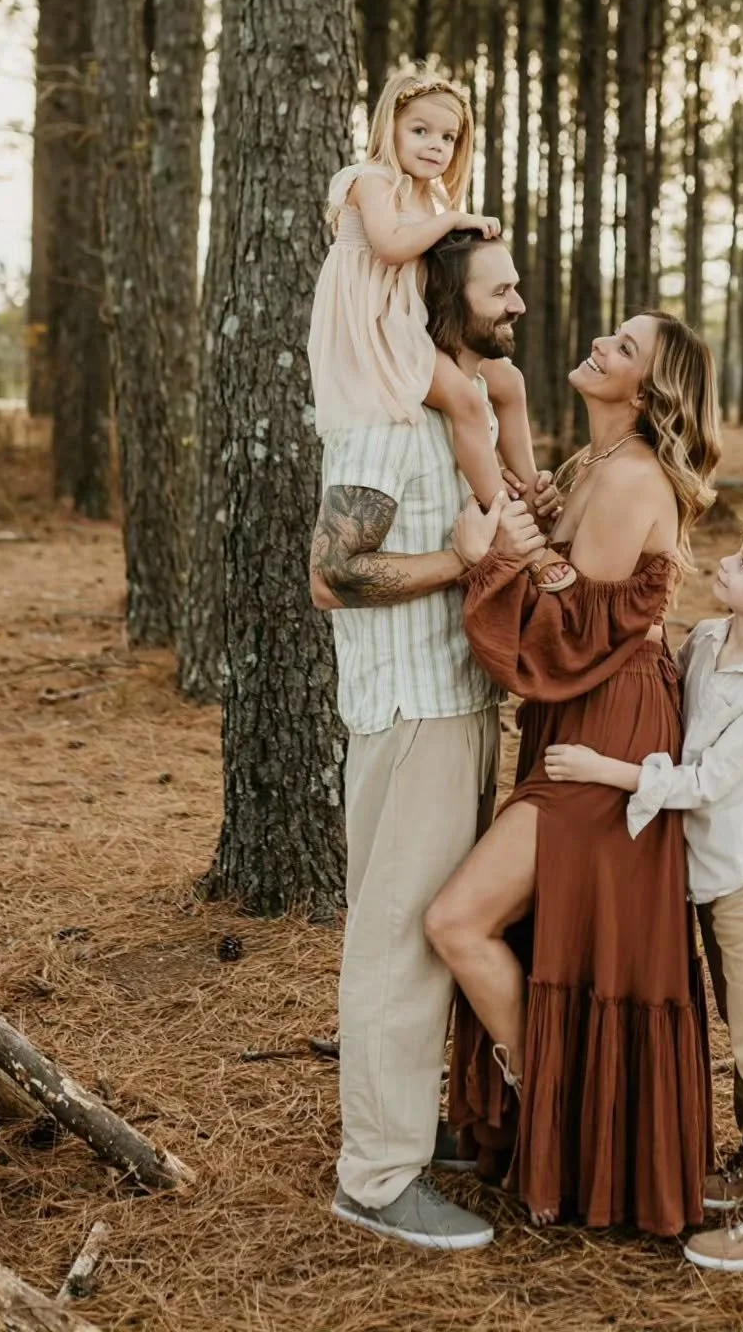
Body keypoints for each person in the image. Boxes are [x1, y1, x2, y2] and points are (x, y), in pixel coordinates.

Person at [424, 312, 722, 1237]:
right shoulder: (595, 462)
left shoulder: (631, 477)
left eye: (625, 349)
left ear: (649, 389)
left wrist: (496, 558)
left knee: (459, 920)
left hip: (610, 724)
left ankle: (553, 1105)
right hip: (579, 716)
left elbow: (576, 630)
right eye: (613, 334)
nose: (602, 344)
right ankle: (555, 1121)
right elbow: (563, 575)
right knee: (555, 929)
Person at [309, 231, 551, 1252]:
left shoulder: (460, 412)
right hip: (410, 712)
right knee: (397, 943)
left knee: (431, 935)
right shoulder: (384, 419)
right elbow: (331, 575)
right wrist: (463, 563)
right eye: (502, 290)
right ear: (448, 298)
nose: (519, 304)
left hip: (457, 704)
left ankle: (410, 1128)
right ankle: (375, 1177)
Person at [544, 510, 743, 1272]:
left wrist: (604, 771)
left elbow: (709, 781)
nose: (726, 564)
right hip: (703, 875)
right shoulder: (711, 640)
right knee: (741, 1027)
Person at [308, 62, 571, 588]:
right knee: (467, 401)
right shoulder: (372, 181)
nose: (435, 145)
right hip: (378, 338)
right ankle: (515, 530)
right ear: (390, 126)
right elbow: (389, 247)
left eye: (448, 137)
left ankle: (529, 492)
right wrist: (452, 220)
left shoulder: (432, 199)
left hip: (415, 329)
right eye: (420, 130)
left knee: (509, 381)